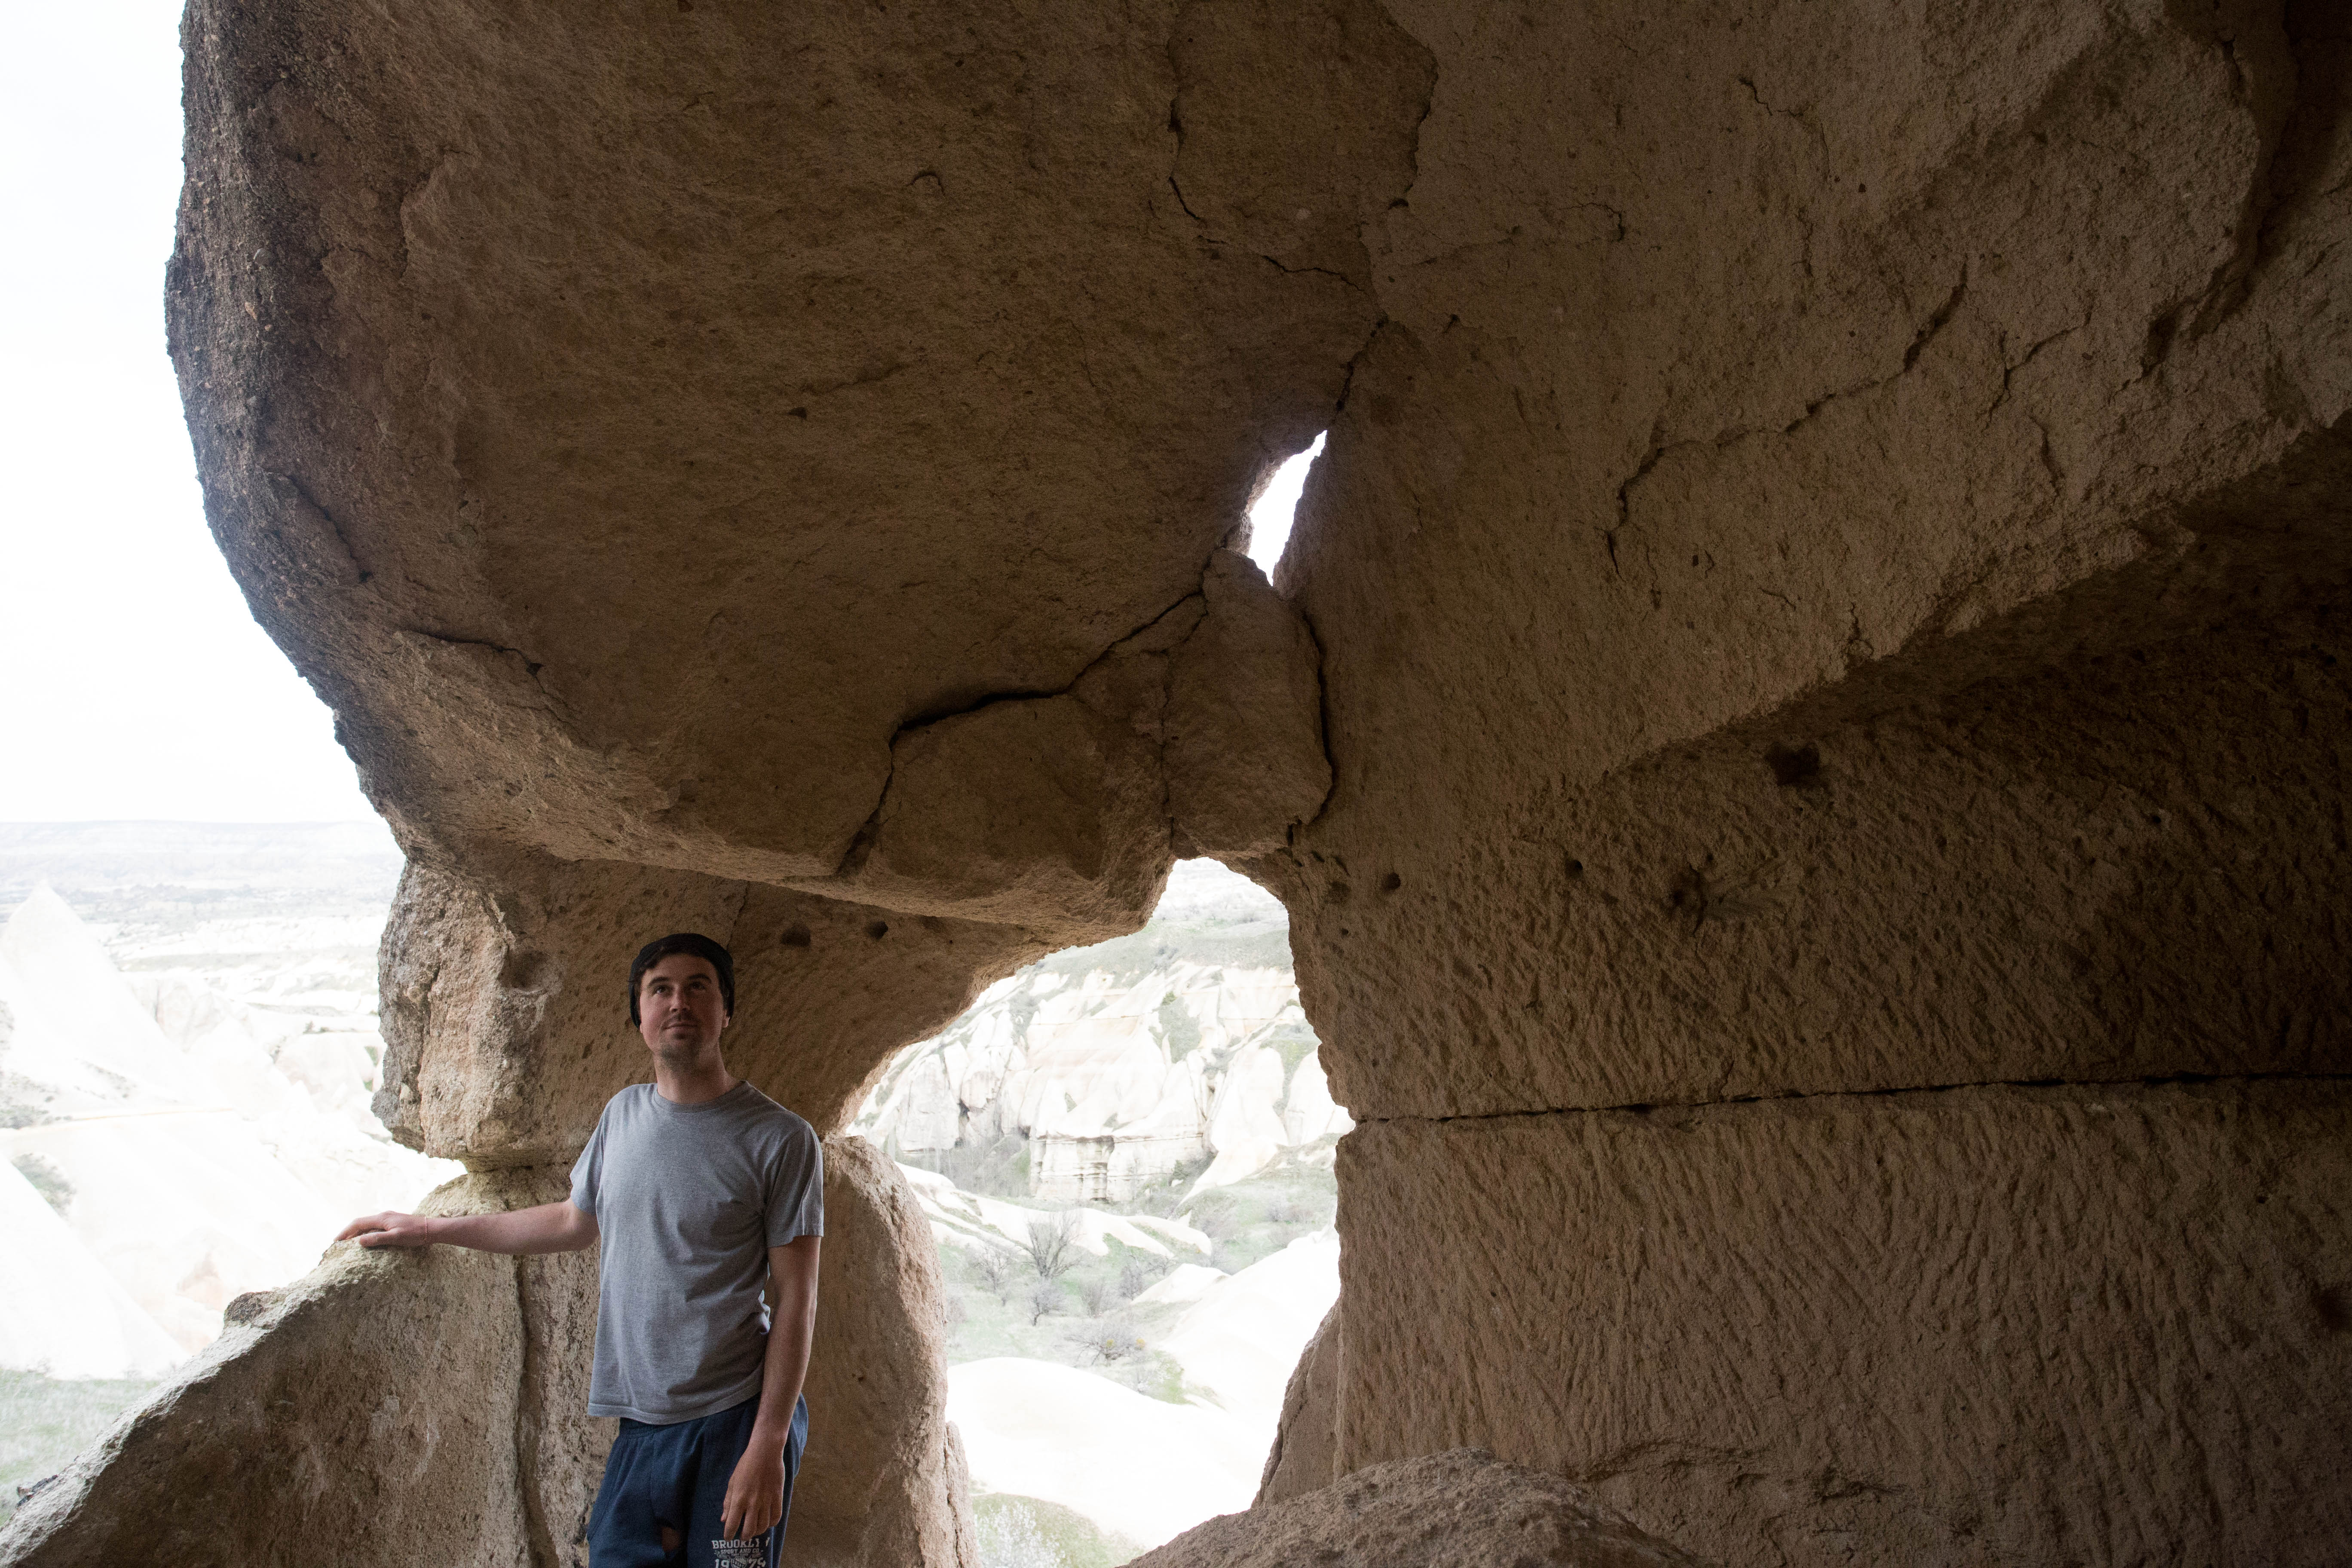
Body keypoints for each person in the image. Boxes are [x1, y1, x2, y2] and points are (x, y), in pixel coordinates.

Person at [339, 932, 823, 1568]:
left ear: (726, 1011)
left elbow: (796, 1298)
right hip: (641, 1427)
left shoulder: (780, 1139)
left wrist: (767, 1446)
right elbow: (571, 1221)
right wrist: (432, 1228)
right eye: (660, 989)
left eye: (698, 987)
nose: (679, 1002)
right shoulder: (622, 1116)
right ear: (639, 1017)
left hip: (735, 1418)